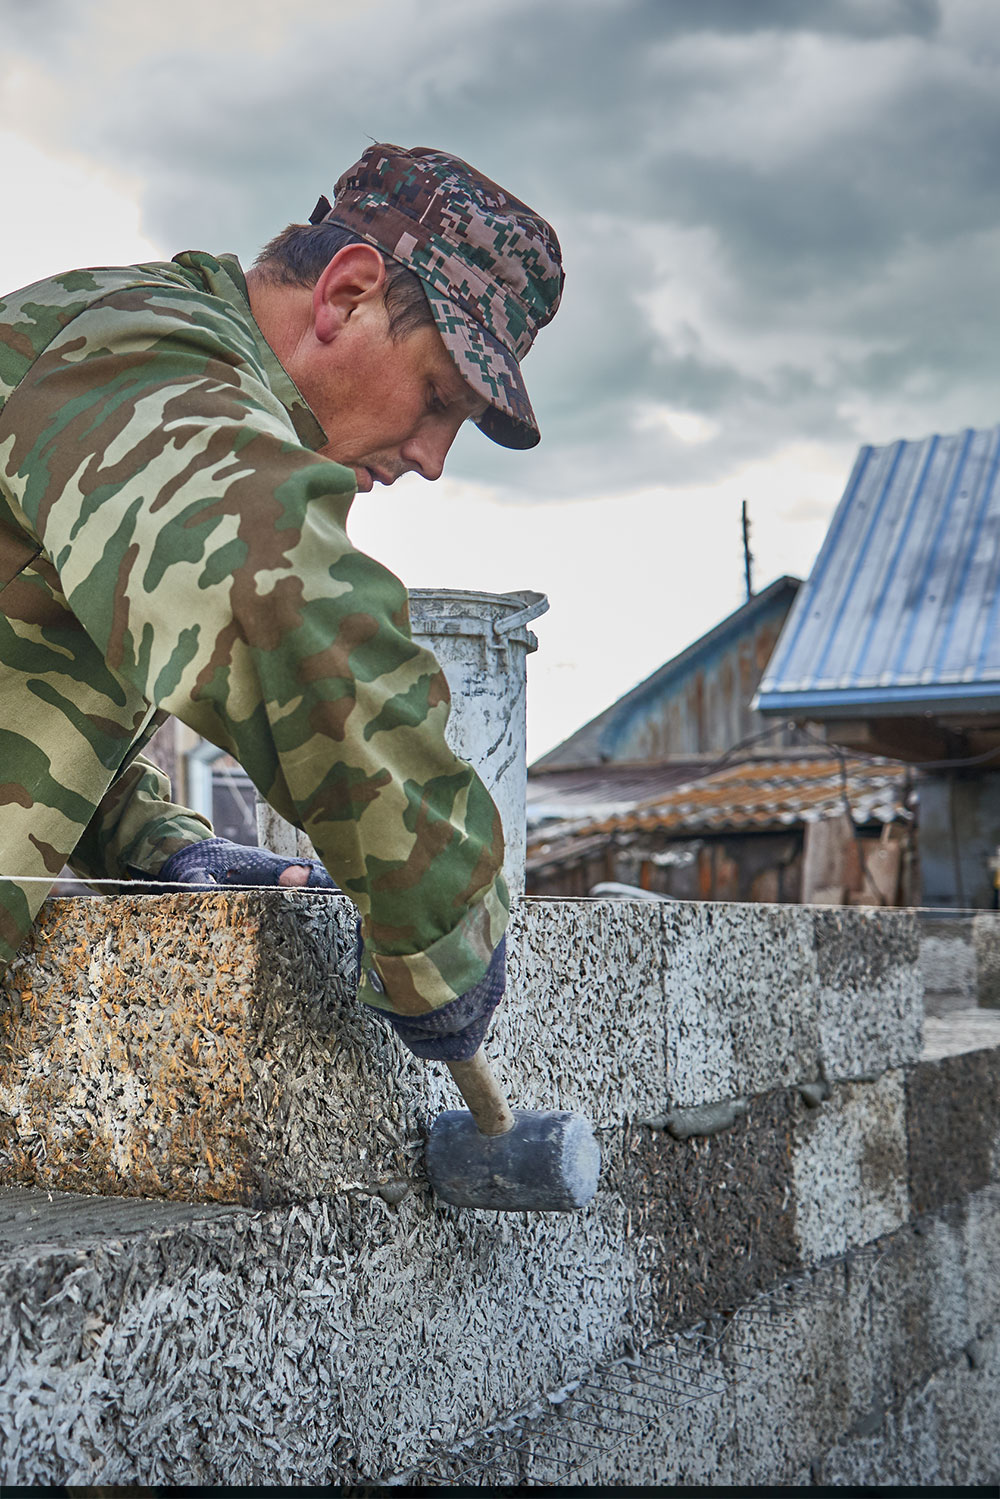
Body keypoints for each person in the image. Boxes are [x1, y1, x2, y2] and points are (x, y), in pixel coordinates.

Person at [0, 143, 563, 1061]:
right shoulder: (140, 351)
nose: (432, 458)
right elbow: (273, 587)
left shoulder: (137, 393)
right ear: (346, 292)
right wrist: (441, 913)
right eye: (435, 397)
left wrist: (157, 846)